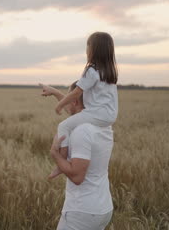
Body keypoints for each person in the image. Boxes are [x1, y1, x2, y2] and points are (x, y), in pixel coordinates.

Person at [41, 31, 118, 180]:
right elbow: (76, 108)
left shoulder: (91, 70)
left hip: (95, 114)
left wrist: (60, 105)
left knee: (63, 126)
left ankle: (61, 164)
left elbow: (76, 93)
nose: (86, 50)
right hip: (109, 116)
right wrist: (56, 93)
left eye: (88, 46)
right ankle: (62, 163)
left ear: (93, 49)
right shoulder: (109, 73)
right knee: (74, 122)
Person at [43, 82, 114, 230]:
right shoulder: (104, 125)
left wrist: (55, 154)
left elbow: (77, 177)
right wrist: (55, 92)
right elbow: (78, 110)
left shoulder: (82, 131)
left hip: (82, 212)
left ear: (74, 101)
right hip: (102, 208)